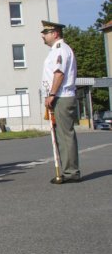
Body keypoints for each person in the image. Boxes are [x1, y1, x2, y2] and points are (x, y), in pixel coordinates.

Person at [41, 20, 80, 184]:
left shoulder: (60, 50)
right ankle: (66, 169)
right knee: (60, 135)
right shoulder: (55, 50)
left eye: (46, 32)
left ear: (55, 33)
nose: (43, 35)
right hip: (58, 96)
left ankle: (71, 172)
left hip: (62, 96)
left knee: (65, 135)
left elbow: (59, 74)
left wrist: (52, 93)